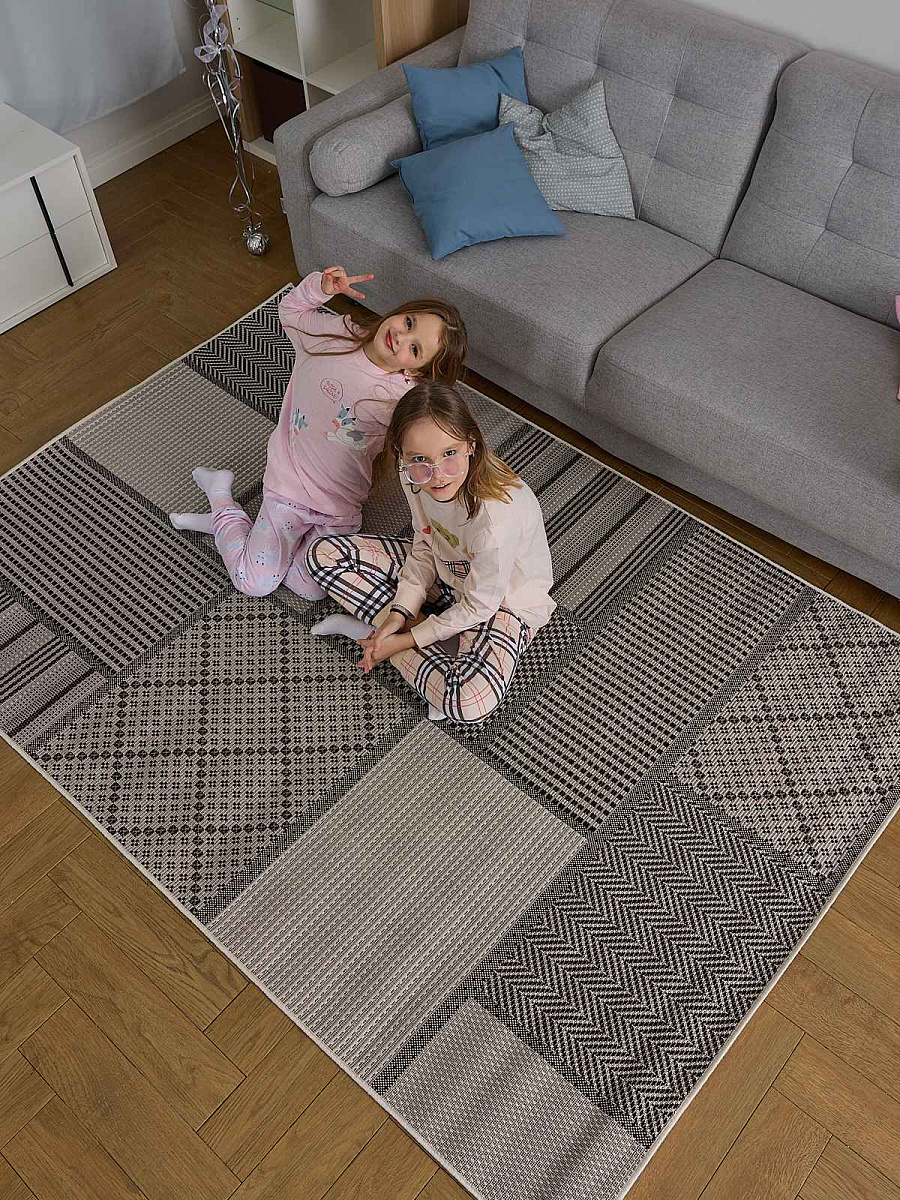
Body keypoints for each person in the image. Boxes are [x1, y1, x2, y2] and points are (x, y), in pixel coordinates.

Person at [169, 267, 467, 599]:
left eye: (415, 349)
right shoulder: (335, 334)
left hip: (340, 505)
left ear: (417, 371)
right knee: (253, 581)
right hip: (289, 489)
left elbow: (428, 441)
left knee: (313, 589)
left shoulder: (405, 397)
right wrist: (320, 289)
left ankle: (238, 535)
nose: (400, 337)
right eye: (409, 323)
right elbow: (290, 311)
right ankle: (220, 499)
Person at [307, 381, 555, 723]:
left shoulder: (494, 521)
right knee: (322, 554)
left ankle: (375, 638)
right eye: (420, 460)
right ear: (402, 455)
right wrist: (399, 614)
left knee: (467, 702)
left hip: (502, 603)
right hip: (447, 572)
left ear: (471, 444)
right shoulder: (413, 475)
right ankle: (411, 641)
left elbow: (480, 605)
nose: (437, 476)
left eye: (449, 454)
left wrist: (405, 640)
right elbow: (425, 543)